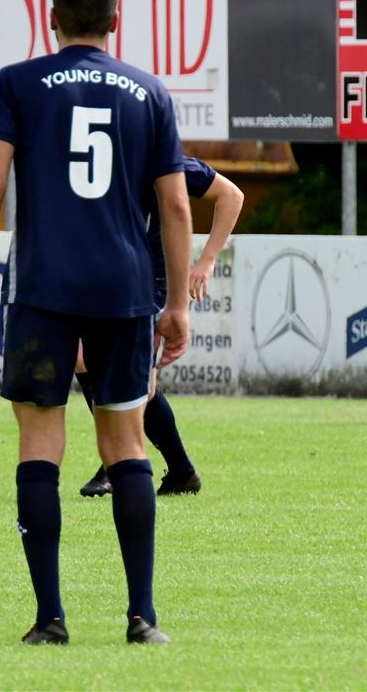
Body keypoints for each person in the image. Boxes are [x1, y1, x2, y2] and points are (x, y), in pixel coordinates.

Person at [0, 0, 192, 645]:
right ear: (115, 20)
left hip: (42, 290)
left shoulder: (19, 84)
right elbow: (174, 204)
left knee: (39, 443)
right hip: (122, 291)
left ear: (50, 17)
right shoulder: (148, 92)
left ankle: (49, 618)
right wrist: (174, 303)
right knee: (125, 444)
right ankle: (142, 617)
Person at [79, 156, 244, 498]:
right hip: (113, 280)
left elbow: (232, 196)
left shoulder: (169, 163)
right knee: (83, 358)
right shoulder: (101, 162)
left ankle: (118, 463)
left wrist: (208, 260)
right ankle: (179, 470)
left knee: (140, 380)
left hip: (154, 284)